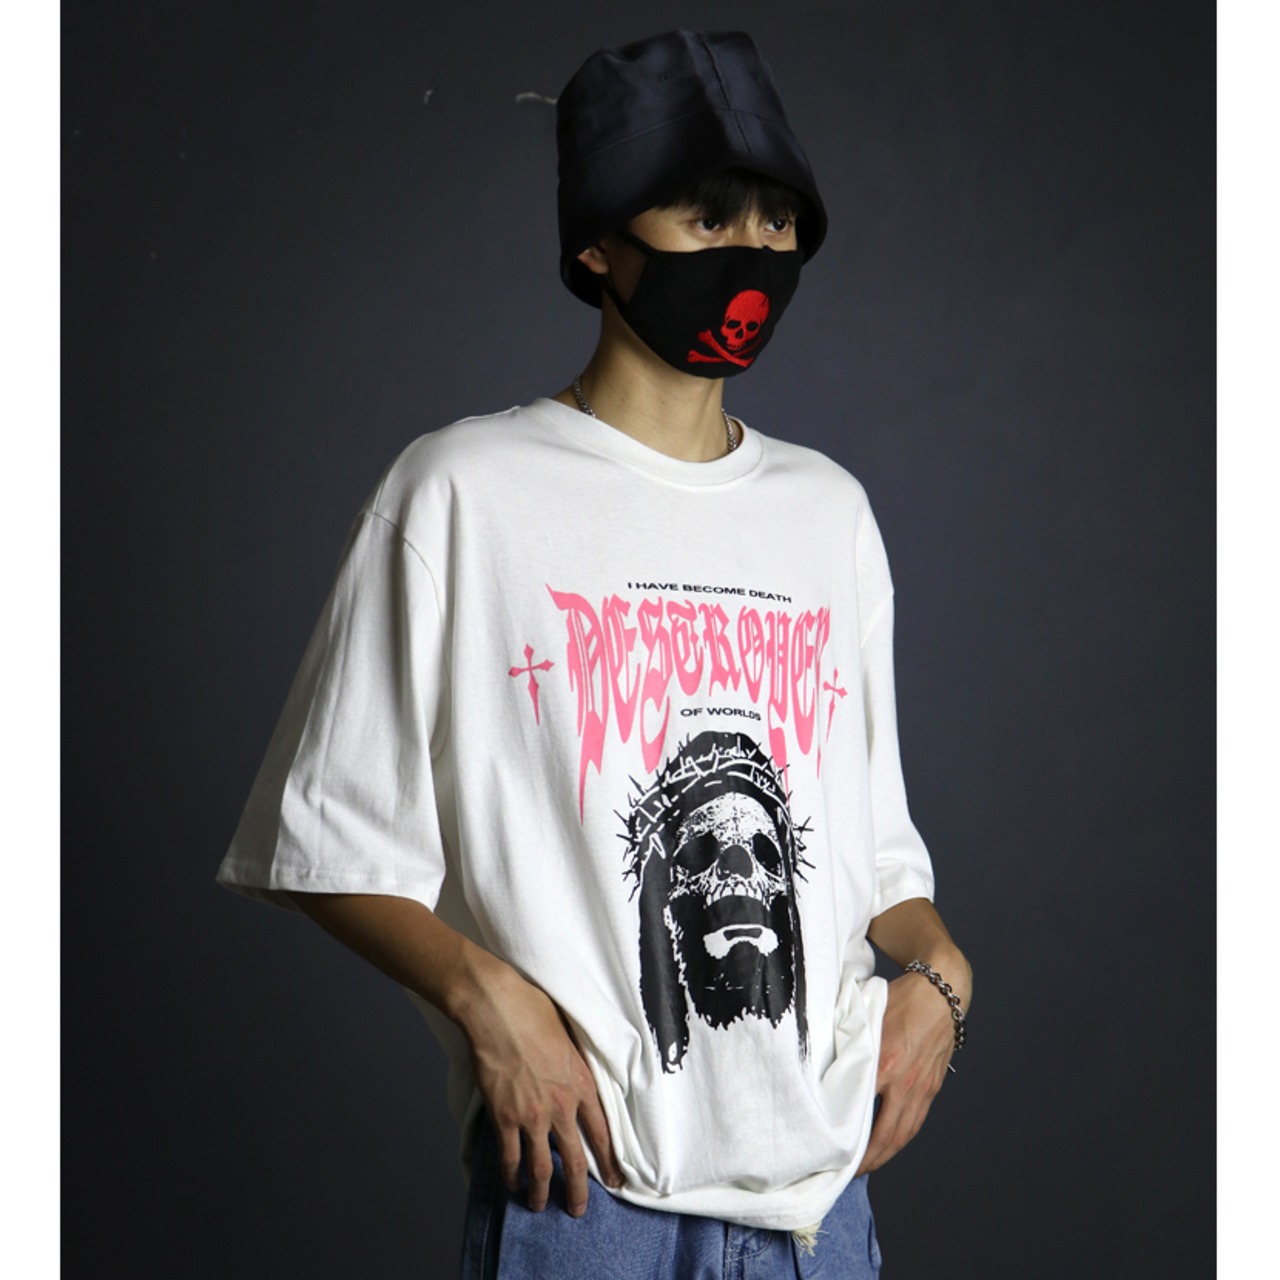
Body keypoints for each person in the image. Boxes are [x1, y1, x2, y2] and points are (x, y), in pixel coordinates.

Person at [216, 28, 972, 1279]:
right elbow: (324, 832)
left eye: (776, 219)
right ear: (595, 245)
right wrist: (487, 999)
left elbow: (870, 848)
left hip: (819, 1211)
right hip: (586, 1202)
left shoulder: (827, 511)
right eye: (705, 215)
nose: (750, 251)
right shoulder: (462, 490)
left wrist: (940, 972)